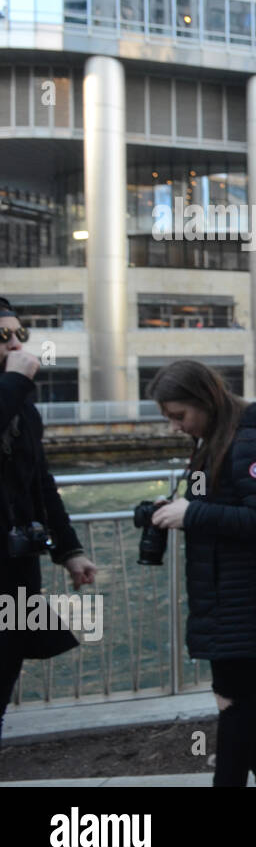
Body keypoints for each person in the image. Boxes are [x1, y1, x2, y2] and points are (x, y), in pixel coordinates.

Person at [145, 360, 256, 787]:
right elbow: (217, 509)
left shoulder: (246, 445)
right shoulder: (214, 441)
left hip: (241, 599)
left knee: (233, 703)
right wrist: (178, 510)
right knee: (251, 698)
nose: (175, 426)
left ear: (205, 402)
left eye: (179, 415)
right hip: (229, 596)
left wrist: (192, 513)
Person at [0, 299, 96, 744]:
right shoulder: (13, 393)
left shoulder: (23, 410)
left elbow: (41, 484)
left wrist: (69, 550)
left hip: (16, 571)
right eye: (4, 338)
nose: (17, 346)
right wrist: (16, 381)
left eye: (20, 336)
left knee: (5, 671)